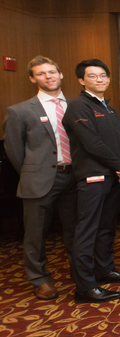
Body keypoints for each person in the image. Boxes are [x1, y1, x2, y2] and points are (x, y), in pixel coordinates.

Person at [2, 56, 77, 300]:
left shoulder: (76, 106)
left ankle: (80, 271)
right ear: (33, 78)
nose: (48, 76)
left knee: (75, 230)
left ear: (61, 74)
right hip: (39, 180)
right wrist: (34, 171)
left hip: (74, 177)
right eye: (41, 73)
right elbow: (14, 150)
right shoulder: (20, 111)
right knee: (35, 233)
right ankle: (39, 278)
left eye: (52, 72)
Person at [63, 59, 120, 303]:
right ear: (81, 80)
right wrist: (119, 166)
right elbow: (92, 143)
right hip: (93, 176)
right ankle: (85, 287)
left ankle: (105, 270)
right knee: (87, 231)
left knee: (107, 226)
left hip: (115, 176)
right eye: (93, 76)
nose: (100, 80)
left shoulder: (110, 108)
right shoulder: (77, 106)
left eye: (103, 75)